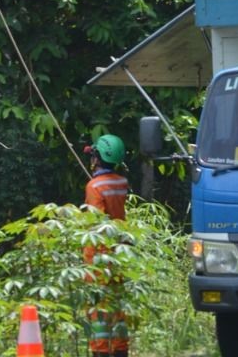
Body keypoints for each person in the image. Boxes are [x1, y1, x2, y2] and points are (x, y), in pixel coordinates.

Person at [82, 134, 130, 357]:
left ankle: (100, 351)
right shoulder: (121, 183)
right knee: (117, 305)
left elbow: (96, 222)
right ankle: (120, 349)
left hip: (99, 256)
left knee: (98, 307)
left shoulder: (94, 186)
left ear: (97, 157)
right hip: (119, 252)